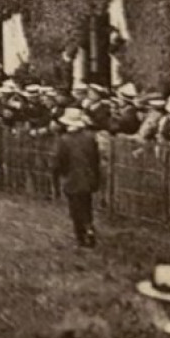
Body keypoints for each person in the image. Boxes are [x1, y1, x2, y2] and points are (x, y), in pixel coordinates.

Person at [52, 106, 102, 248]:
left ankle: (81, 236)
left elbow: (60, 160)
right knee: (86, 205)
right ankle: (89, 227)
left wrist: (60, 173)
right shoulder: (90, 138)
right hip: (89, 176)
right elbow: (95, 158)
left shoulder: (64, 140)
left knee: (75, 208)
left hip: (72, 178)